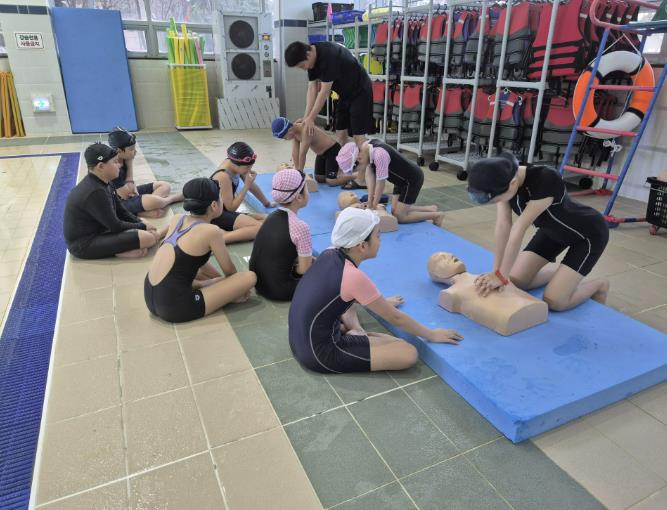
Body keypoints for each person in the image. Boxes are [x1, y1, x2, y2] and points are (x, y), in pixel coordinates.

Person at [288, 207, 463, 374]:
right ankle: (355, 333)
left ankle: (355, 331)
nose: (380, 241)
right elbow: (395, 318)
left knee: (350, 303)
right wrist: (431, 334)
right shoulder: (353, 276)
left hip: (299, 339)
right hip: (318, 353)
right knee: (408, 352)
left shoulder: (330, 251)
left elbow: (338, 292)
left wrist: (382, 303)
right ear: (362, 246)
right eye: (378, 236)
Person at [467, 152, 610, 311]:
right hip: (551, 232)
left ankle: (599, 284)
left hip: (588, 235)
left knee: (555, 302)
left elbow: (518, 230)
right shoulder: (503, 177)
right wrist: (496, 271)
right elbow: (503, 225)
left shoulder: (545, 178)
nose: (499, 202)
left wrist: (501, 277)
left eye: (498, 199)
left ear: (513, 183)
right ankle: (564, 276)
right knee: (517, 280)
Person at [144, 177, 257, 323]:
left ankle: (203, 285)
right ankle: (205, 288)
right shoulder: (212, 231)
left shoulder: (177, 219)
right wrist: (230, 289)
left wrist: (219, 284)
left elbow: (195, 261)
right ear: (214, 205)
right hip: (175, 307)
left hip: (150, 296)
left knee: (192, 270)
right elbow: (231, 273)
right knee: (249, 278)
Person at [64, 143, 161, 259]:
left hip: (100, 230)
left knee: (144, 228)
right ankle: (116, 252)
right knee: (148, 238)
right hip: (83, 245)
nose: (119, 165)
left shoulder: (106, 182)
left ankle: (124, 247)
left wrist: (140, 222)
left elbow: (121, 211)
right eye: (115, 162)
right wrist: (142, 227)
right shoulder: (95, 192)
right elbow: (115, 226)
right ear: (101, 166)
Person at [428, 252, 548, 336]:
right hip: (509, 317)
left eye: (451, 254)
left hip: (530, 305)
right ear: (436, 275)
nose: (451, 256)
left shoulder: (488, 277)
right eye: (442, 259)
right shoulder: (450, 293)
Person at [284, 41, 374, 149]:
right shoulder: (312, 61)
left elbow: (324, 92)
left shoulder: (329, 56)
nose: (304, 69)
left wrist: (311, 118)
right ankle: (343, 160)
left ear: (308, 54)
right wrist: (306, 118)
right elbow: (312, 89)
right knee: (340, 133)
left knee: (358, 136)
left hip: (360, 92)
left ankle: (369, 159)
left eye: (302, 65)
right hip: (344, 95)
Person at [336, 140, 445, 225]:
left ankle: (436, 215)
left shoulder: (379, 155)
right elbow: (370, 174)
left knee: (399, 217)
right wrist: (370, 200)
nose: (359, 171)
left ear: (359, 159)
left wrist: (373, 205)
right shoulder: (365, 147)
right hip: (399, 179)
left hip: (411, 180)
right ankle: (430, 209)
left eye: (357, 169)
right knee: (394, 210)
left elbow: (380, 184)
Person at [249, 169, 314, 301]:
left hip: (259, 284)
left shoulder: (271, 216)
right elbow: (304, 270)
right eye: (306, 188)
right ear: (299, 197)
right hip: (280, 290)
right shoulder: (300, 226)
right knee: (328, 275)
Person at [107, 127, 183, 218]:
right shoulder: (113, 168)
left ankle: (147, 207)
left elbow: (130, 185)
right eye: (131, 149)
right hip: (117, 204)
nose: (135, 151)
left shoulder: (124, 159)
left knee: (164, 185)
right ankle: (170, 199)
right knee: (154, 202)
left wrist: (129, 162)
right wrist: (130, 163)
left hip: (126, 192)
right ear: (118, 151)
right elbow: (126, 196)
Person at [210, 142, 276, 244]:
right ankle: (223, 237)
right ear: (235, 164)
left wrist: (266, 203)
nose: (249, 170)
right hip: (216, 216)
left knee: (270, 220)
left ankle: (234, 231)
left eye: (250, 167)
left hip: (224, 212)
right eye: (247, 168)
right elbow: (231, 208)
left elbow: (252, 185)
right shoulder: (223, 176)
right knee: (262, 228)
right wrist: (246, 186)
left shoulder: (235, 165)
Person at [271, 116, 363, 188]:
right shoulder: (294, 131)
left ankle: (356, 175)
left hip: (332, 151)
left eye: (285, 137)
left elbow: (302, 154)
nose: (286, 140)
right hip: (321, 154)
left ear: (289, 130)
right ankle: (339, 171)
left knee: (331, 181)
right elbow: (295, 153)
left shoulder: (306, 130)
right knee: (319, 178)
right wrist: (297, 169)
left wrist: (300, 174)